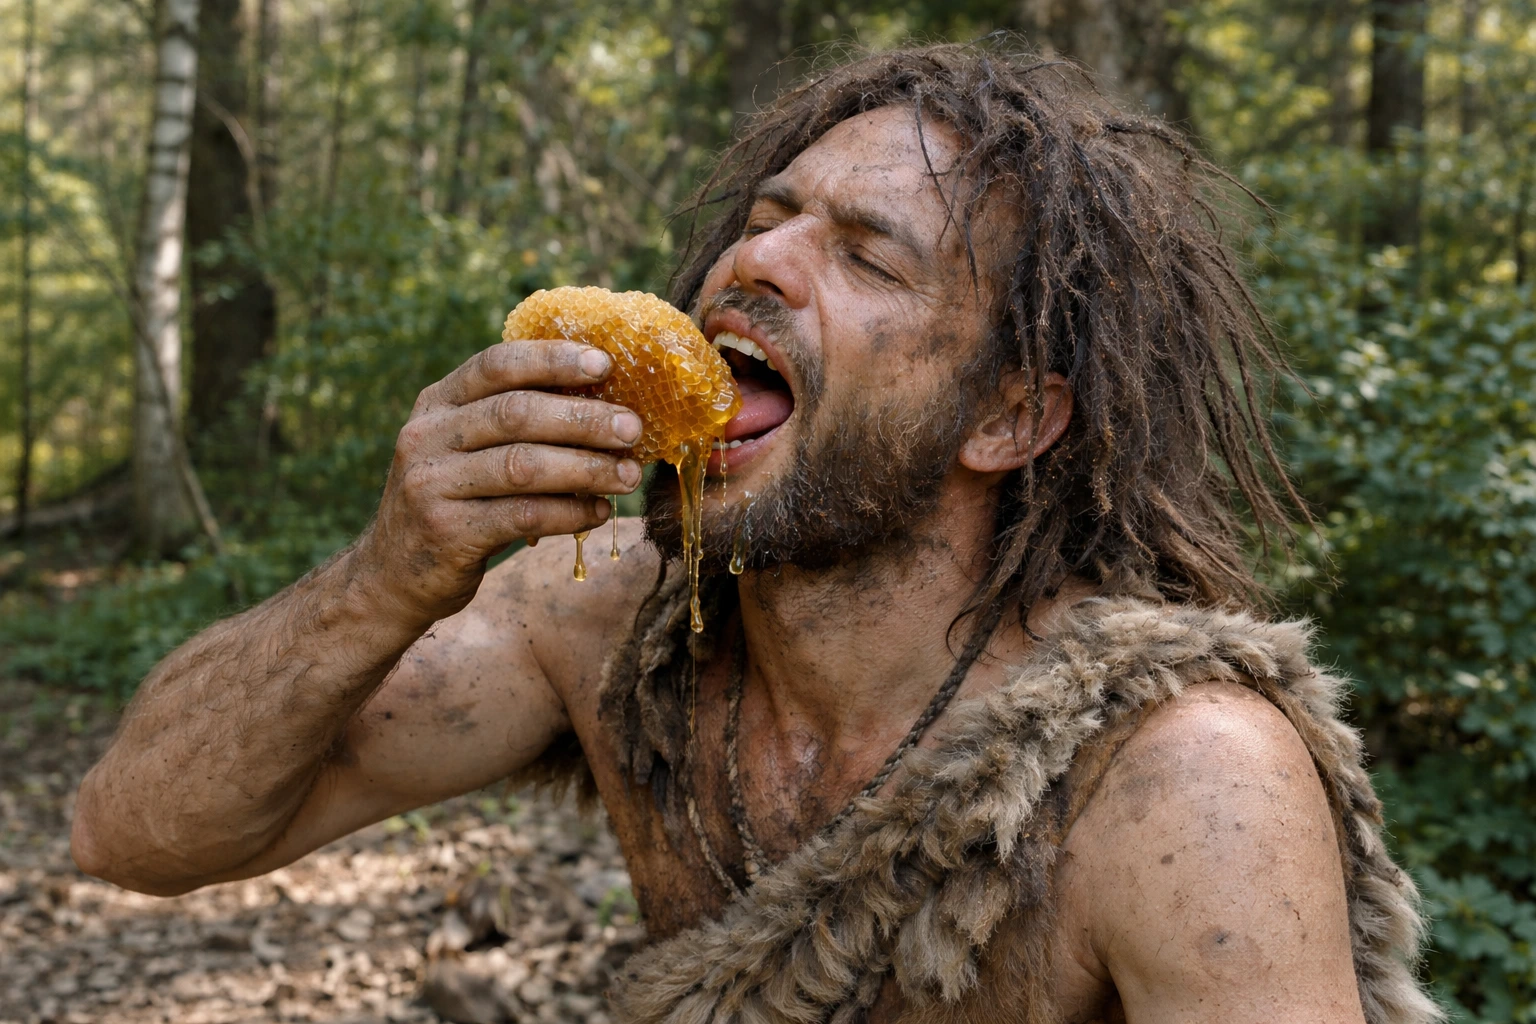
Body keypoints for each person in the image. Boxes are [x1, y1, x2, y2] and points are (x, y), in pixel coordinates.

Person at [72, 43, 1441, 1024]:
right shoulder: (597, 618)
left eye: (865, 253)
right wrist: (389, 574)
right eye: (768, 214)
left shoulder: (1177, 783)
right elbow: (137, 835)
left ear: (1009, 418)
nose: (754, 261)